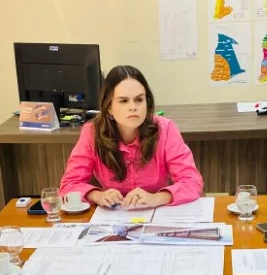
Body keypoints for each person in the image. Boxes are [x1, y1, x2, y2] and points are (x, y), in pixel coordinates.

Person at [59, 65, 203, 209]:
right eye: (123, 101)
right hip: (113, 217)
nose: (133, 107)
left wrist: (157, 198)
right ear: (109, 106)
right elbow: (69, 184)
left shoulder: (165, 129)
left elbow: (192, 182)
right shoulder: (92, 132)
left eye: (139, 100)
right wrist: (98, 195)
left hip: (155, 213)